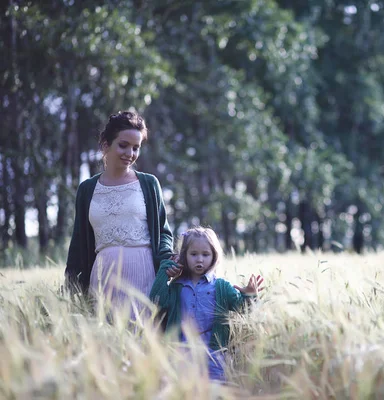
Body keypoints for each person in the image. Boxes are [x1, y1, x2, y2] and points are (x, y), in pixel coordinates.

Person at [64, 110, 173, 317]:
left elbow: (163, 232)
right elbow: (79, 241)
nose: (130, 154)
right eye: (123, 145)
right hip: (103, 278)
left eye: (136, 148)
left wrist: (167, 260)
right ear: (106, 145)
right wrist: (73, 287)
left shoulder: (149, 184)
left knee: (144, 343)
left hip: (143, 276)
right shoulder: (87, 189)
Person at [150, 226, 264, 381]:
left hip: (213, 355)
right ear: (184, 255)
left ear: (214, 256)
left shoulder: (222, 287)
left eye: (205, 254)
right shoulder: (177, 286)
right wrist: (164, 271)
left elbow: (241, 309)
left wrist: (250, 295)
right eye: (193, 254)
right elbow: (156, 300)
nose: (199, 259)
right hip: (180, 352)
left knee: (213, 391)